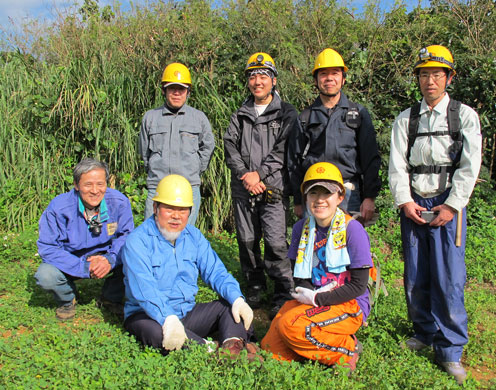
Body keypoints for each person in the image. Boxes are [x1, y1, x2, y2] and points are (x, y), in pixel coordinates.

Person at [388, 45, 482, 384]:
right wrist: (404, 201)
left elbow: (470, 167)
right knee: (416, 274)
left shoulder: (463, 116)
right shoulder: (406, 118)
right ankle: (424, 332)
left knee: (449, 277)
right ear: (418, 78)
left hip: (447, 203)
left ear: (449, 78)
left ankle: (451, 349)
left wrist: (452, 205)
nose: (430, 80)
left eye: (437, 74)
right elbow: (396, 164)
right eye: (425, 74)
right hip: (414, 202)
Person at [122, 174, 258, 358]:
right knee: (156, 332)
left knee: (229, 307)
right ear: (155, 208)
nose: (176, 216)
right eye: (169, 208)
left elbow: (215, 271)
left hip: (186, 312)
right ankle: (207, 350)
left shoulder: (193, 236)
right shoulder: (137, 242)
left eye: (183, 210)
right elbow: (145, 290)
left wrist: (237, 299)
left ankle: (232, 347)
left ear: (190, 212)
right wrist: (167, 319)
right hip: (149, 316)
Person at [261, 162, 373, 374]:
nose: (320, 200)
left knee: (290, 327)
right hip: (316, 298)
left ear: (340, 197)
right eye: (314, 193)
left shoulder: (353, 229)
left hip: (348, 303)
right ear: (306, 198)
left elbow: (359, 285)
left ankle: (347, 350)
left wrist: (317, 299)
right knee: (270, 346)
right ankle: (314, 342)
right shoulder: (300, 229)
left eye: (327, 193)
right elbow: (299, 277)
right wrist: (308, 295)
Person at [224, 52, 296, 318]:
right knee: (247, 239)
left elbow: (283, 149)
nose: (258, 81)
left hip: (273, 189)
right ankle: (254, 285)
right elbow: (229, 147)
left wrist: (261, 175)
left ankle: (282, 291)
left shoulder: (286, 113)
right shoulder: (240, 115)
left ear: (273, 80)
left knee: (277, 243)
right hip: (244, 189)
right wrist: (246, 175)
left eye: (263, 76)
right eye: (253, 76)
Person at [287, 48, 381, 225]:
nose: (329, 78)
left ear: (343, 78)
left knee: (348, 248)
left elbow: (370, 158)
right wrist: (299, 200)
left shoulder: (358, 114)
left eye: (335, 73)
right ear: (316, 80)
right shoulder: (305, 118)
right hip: (315, 195)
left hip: (349, 193)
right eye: (323, 74)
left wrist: (369, 197)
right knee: (316, 249)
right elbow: (294, 162)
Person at [35, 158, 134, 320]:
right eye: (88, 185)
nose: (95, 191)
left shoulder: (119, 202)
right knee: (46, 275)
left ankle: (110, 298)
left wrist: (109, 259)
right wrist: (83, 266)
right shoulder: (58, 208)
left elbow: (127, 236)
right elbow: (48, 248)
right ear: (76, 185)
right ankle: (68, 299)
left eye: (100, 184)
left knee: (134, 258)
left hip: (106, 255)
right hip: (71, 259)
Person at [139, 62, 215, 225]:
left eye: (181, 89)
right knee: (153, 236)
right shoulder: (150, 118)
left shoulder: (199, 118)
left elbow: (207, 147)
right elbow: (145, 153)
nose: (176, 93)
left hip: (188, 189)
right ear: (164, 90)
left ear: (188, 91)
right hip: (157, 188)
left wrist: (194, 169)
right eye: (172, 88)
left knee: (183, 237)